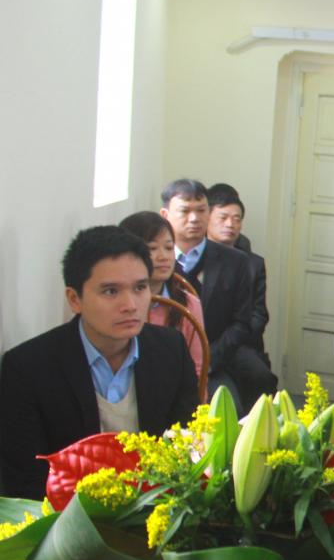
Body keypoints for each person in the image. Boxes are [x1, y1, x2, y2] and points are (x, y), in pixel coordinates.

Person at [0, 227, 198, 499]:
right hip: (68, 516)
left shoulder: (171, 350)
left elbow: (187, 447)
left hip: (158, 508)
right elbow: (24, 481)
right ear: (75, 299)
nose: (130, 305)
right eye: (110, 291)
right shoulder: (28, 368)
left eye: (140, 287)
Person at [160, 179, 261, 405]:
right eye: (185, 211)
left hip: (215, 362)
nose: (194, 218)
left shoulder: (235, 261)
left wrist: (208, 358)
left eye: (201, 210)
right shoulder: (153, 261)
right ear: (165, 215)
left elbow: (241, 323)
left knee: (228, 410)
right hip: (161, 361)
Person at [206, 184, 278, 401]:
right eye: (223, 218)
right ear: (207, 218)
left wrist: (232, 341)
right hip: (205, 344)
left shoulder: (253, 264)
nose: (230, 224)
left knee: (262, 379)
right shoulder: (196, 258)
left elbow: (259, 315)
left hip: (239, 343)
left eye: (237, 219)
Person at [118, 212, 206, 379]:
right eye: (152, 249)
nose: (164, 257)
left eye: (169, 248)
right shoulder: (119, 304)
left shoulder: (188, 304)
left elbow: (197, 369)